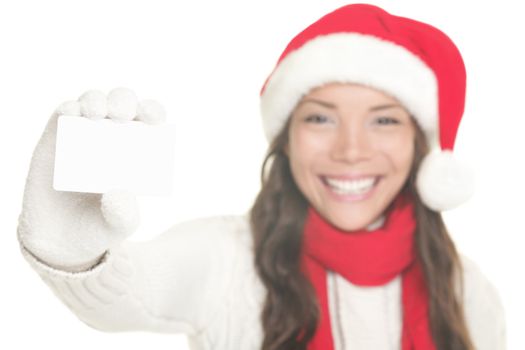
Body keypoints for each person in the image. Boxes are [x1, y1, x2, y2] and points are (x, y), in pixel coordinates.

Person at [17, 3, 505, 350]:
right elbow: (134, 293)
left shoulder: (470, 293)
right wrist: (74, 253)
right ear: (286, 136)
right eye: (320, 117)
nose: (351, 151)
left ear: (421, 146)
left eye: (384, 120)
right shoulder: (224, 257)